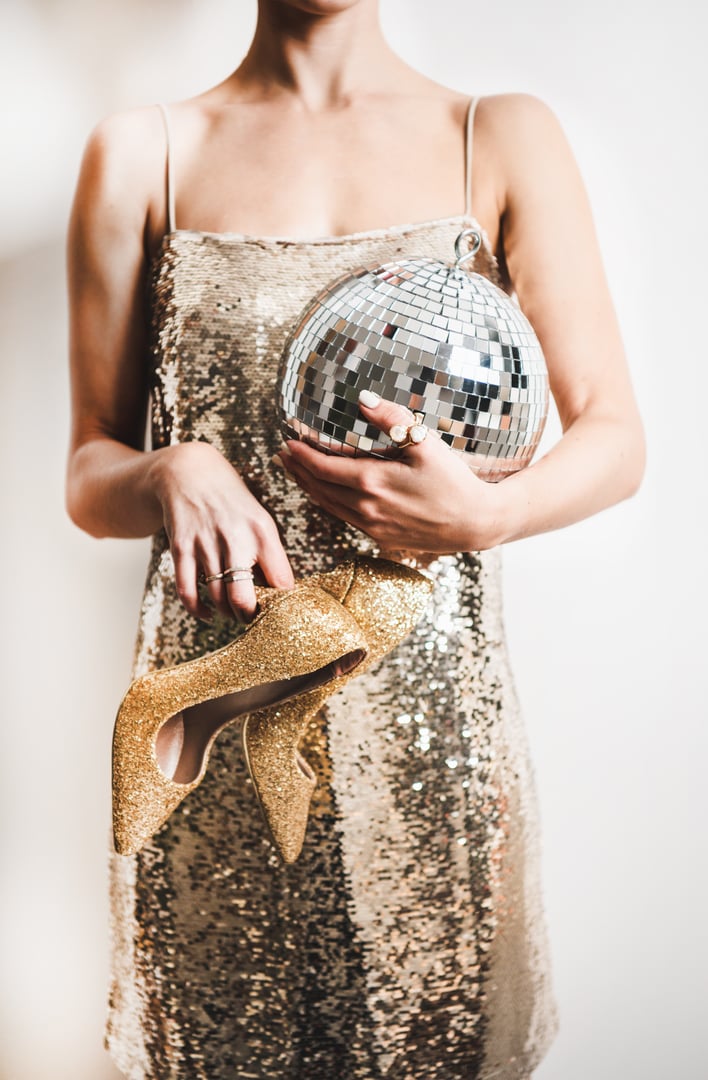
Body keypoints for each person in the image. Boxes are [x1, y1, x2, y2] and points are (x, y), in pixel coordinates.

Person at [66, 1, 645, 1077]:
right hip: (218, 731)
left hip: (435, 744)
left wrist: (496, 513)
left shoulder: (497, 134)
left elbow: (615, 436)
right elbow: (89, 476)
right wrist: (168, 467)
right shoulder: (147, 151)